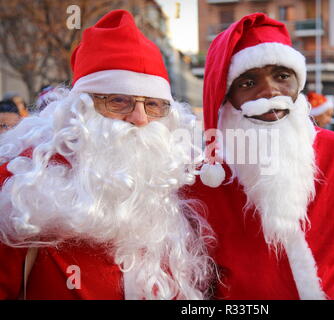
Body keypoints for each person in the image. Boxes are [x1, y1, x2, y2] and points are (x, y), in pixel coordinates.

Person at [185, 13, 334, 300]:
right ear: (226, 99)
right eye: (248, 83)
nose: (271, 91)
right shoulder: (199, 183)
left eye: (282, 76)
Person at [0, 10, 212, 300]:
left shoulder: (169, 183)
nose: (139, 118)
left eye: (153, 105)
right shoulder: (23, 187)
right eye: (118, 101)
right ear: (81, 109)